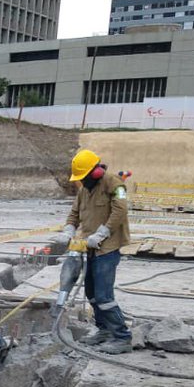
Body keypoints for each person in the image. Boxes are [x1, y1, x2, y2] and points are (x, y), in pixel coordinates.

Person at [51, 148, 132, 354]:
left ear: (95, 172)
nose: (82, 181)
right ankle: (104, 330)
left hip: (107, 247)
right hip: (89, 247)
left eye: (84, 177)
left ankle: (122, 337)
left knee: (104, 295)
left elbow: (120, 210)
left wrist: (103, 233)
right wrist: (69, 229)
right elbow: (74, 213)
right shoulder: (83, 190)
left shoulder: (114, 183)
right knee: (91, 294)